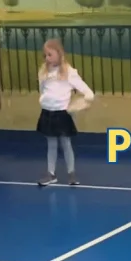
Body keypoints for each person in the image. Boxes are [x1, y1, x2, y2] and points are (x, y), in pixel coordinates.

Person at [36, 38, 94, 187]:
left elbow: (86, 90)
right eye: (45, 55)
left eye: (50, 54)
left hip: (62, 114)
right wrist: (44, 100)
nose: (47, 58)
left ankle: (71, 173)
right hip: (48, 112)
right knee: (51, 144)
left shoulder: (69, 72)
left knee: (66, 143)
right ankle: (51, 174)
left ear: (59, 54)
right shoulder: (43, 72)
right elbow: (42, 90)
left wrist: (86, 99)